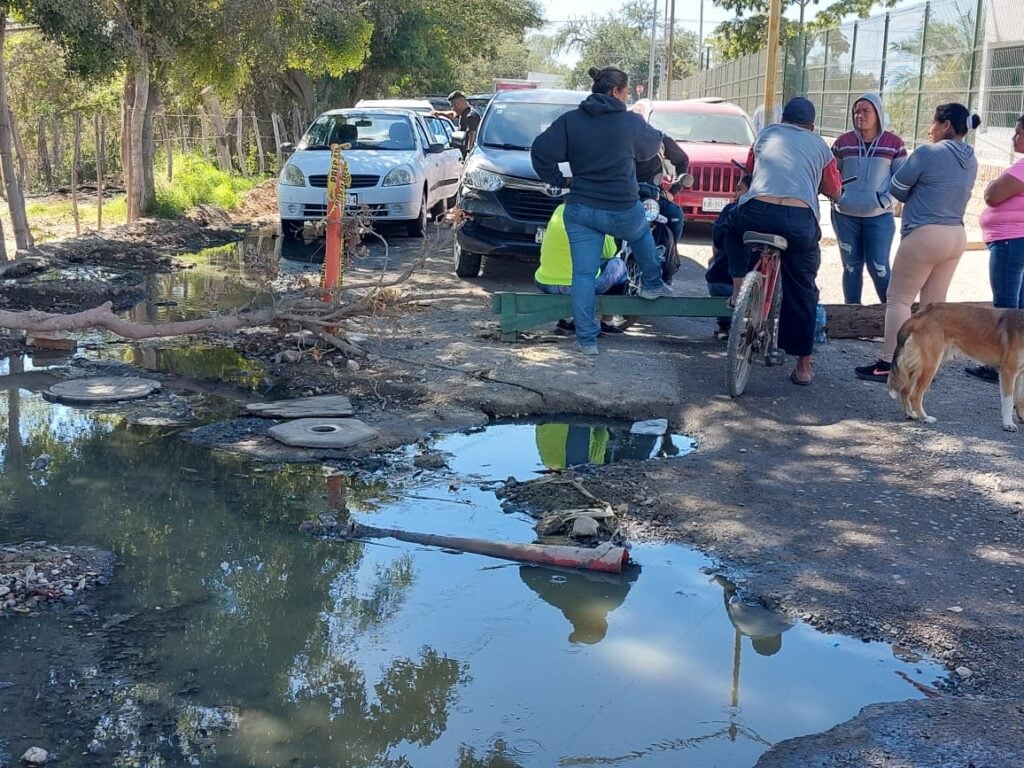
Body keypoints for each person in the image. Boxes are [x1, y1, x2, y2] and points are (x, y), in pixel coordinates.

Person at [855, 104, 981, 382]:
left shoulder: (927, 152)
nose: (929, 129)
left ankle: (889, 363)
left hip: (924, 233)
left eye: (934, 123)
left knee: (899, 299)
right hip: (956, 234)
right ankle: (925, 368)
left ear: (946, 125)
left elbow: (897, 188)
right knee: (933, 306)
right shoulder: (971, 159)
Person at [723, 97, 842, 385]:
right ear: (811, 125)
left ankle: (739, 286)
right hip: (798, 221)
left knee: (729, 227)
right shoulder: (821, 147)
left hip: (757, 212)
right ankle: (803, 366)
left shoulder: (766, 134)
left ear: (783, 119)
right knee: (803, 289)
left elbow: (750, 171)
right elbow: (834, 189)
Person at [831, 94, 908, 304]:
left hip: (879, 217)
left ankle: (890, 314)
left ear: (878, 114)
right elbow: (830, 174)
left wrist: (885, 201)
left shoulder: (894, 144)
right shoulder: (842, 143)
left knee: (879, 266)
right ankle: (851, 314)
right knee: (851, 266)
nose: (860, 115)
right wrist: (838, 196)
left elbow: (902, 180)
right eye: (856, 111)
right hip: (845, 216)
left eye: (866, 111)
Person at [968, 115, 1024, 382]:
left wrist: (992, 184)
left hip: (1010, 240)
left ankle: (999, 365)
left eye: (1018, 133)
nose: (1014, 138)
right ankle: (1016, 361)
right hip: (1015, 240)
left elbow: (992, 195)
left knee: (1006, 306)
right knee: (1019, 305)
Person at [534, 204, 626, 336]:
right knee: (618, 265)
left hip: (545, 281)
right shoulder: (599, 213)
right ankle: (607, 322)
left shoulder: (560, 209)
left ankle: (566, 320)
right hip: (576, 286)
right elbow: (609, 253)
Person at [707, 174, 752, 337]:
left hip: (721, 282)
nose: (735, 193)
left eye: (739, 189)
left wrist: (715, 260)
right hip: (756, 289)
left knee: (713, 264)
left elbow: (716, 243)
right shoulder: (770, 215)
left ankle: (724, 324)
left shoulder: (730, 210)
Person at [636, 135, 689, 243]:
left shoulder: (658, 138)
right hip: (621, 196)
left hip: (652, 197)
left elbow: (683, 160)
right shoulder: (617, 137)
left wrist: (673, 191)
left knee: (675, 216)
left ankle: (669, 252)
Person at [444, 90, 481, 157]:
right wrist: (438, 113)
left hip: (469, 155)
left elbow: (472, 136)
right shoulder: (464, 114)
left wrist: (469, 153)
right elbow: (452, 115)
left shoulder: (471, 116)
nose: (452, 109)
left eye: (452, 106)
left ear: (458, 104)